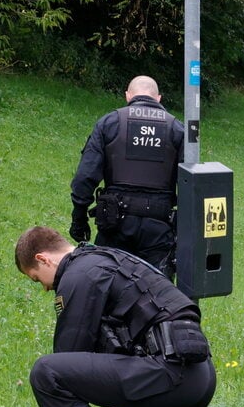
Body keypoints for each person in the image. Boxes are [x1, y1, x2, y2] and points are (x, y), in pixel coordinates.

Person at [14, 226, 237, 407]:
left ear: (43, 259)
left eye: (38, 279)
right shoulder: (107, 259)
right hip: (197, 378)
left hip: (169, 376)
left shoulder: (79, 274)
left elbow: (66, 361)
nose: (46, 287)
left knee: (45, 371)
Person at [69, 75, 184, 278]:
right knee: (156, 297)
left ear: (127, 96)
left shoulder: (110, 123)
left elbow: (85, 177)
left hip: (114, 224)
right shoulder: (177, 129)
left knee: (107, 289)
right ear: (158, 98)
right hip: (159, 227)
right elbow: (191, 185)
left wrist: (79, 218)